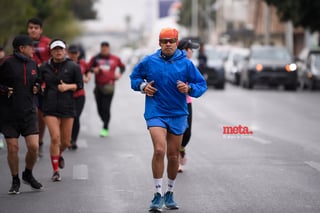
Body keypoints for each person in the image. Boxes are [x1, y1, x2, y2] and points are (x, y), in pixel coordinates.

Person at [130, 27, 207, 211]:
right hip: (155, 111)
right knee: (159, 150)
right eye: (164, 41)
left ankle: (169, 193)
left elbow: (201, 84)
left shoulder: (186, 64)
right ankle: (157, 195)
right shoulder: (149, 61)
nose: (168, 44)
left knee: (173, 155)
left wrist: (189, 89)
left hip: (178, 113)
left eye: (171, 41)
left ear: (176, 42)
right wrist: (142, 86)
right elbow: (134, 78)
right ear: (159, 43)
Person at [0, 34, 44, 194]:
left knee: (33, 147)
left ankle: (28, 173)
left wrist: (38, 87)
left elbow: (38, 81)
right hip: (8, 114)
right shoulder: (5, 62)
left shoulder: (33, 64)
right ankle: (15, 180)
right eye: (31, 46)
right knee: (13, 148)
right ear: (21, 48)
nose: (34, 49)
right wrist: (4, 89)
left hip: (28, 112)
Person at [39, 39, 83, 181]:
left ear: (65, 50)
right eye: (55, 49)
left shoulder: (73, 66)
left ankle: (59, 153)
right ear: (51, 51)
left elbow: (80, 85)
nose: (58, 51)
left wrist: (67, 87)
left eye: (60, 49)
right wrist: (38, 88)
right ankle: (55, 170)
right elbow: (38, 83)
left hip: (67, 106)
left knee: (65, 142)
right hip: (49, 106)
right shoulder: (44, 67)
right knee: (55, 137)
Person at [87, 41, 125, 137]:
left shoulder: (115, 59)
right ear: (100, 49)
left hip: (109, 86)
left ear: (109, 48)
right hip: (98, 86)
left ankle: (105, 127)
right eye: (102, 48)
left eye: (106, 48)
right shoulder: (95, 58)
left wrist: (119, 74)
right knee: (99, 109)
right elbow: (87, 68)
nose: (104, 50)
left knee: (106, 107)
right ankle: (104, 119)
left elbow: (122, 67)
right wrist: (93, 70)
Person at [27, 17, 51, 157]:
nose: (33, 30)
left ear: (41, 30)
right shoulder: (23, 43)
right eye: (31, 27)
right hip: (27, 84)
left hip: (44, 84)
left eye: (36, 28)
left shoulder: (47, 43)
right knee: (32, 113)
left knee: (41, 117)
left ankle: (40, 141)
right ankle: (32, 142)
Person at [177, 38, 200, 173]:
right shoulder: (174, 63)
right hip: (174, 103)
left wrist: (189, 87)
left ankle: (182, 149)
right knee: (177, 132)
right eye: (191, 49)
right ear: (184, 50)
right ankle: (177, 160)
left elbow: (198, 83)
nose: (192, 52)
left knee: (187, 133)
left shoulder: (190, 65)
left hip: (187, 102)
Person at [67, 44, 91, 150]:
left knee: (75, 117)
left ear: (79, 54)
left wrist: (87, 78)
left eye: (75, 53)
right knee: (68, 118)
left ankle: (73, 140)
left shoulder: (82, 64)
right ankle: (66, 138)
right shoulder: (64, 64)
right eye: (71, 53)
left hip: (79, 95)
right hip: (66, 95)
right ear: (68, 53)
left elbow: (88, 71)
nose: (73, 55)